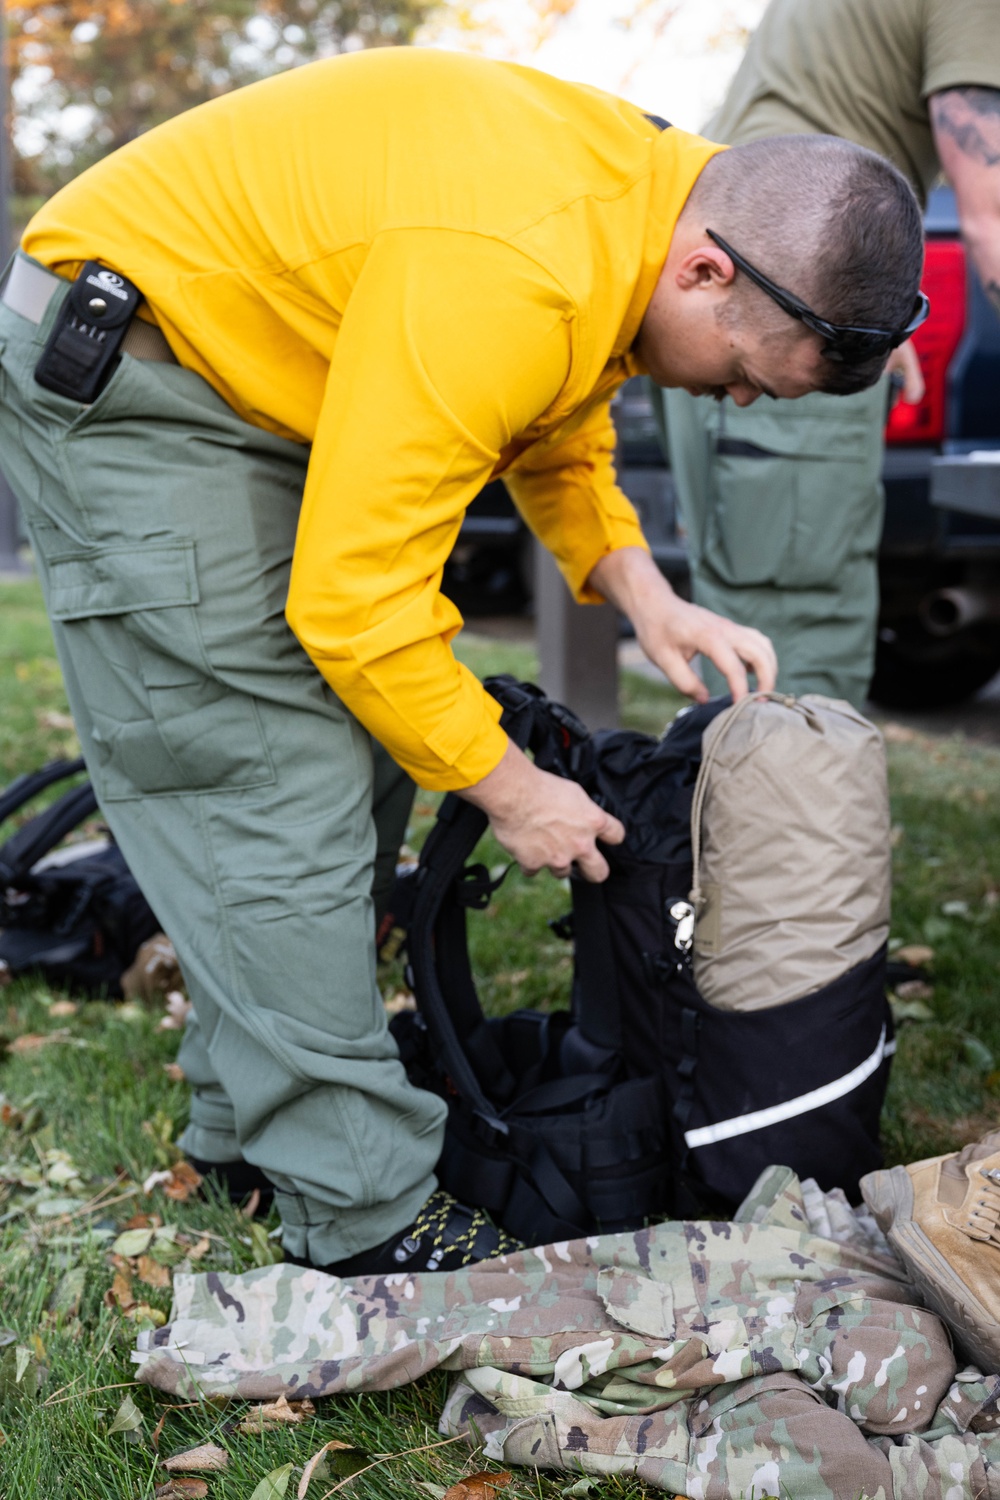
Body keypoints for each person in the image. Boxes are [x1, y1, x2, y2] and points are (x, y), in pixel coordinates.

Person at [0, 47, 924, 1276]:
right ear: (707, 270)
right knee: (263, 778)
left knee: (362, 758)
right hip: (143, 371)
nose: (739, 406)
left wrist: (639, 586)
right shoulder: (514, 265)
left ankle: (240, 1132)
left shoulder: (641, 197)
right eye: (744, 379)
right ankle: (363, 1216)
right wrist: (507, 785)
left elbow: (556, 400)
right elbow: (358, 601)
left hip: (270, 375)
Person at [660, 0, 1000, 710]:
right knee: (798, 647)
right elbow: (991, 213)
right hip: (780, 317)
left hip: (751, 299)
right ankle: (782, 822)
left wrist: (874, 324)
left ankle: (746, 814)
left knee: (758, 625)